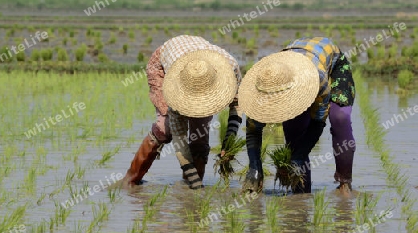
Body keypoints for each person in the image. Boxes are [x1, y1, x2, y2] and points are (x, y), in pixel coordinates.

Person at [237, 37, 356, 195]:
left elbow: (318, 122)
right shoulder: (259, 90)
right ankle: (300, 192)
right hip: (291, 62)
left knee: (340, 118)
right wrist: (254, 166)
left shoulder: (318, 78)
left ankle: (344, 183)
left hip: (331, 63)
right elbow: (253, 131)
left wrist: (299, 156)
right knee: (294, 129)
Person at [122, 35, 242, 189]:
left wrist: (228, 142)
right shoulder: (176, 88)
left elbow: (237, 104)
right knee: (165, 130)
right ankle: (130, 181)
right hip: (165, 64)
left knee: (200, 133)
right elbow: (180, 140)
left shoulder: (230, 68)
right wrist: (196, 184)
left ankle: (189, 185)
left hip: (199, 60)